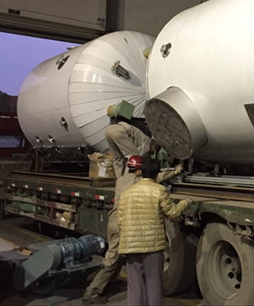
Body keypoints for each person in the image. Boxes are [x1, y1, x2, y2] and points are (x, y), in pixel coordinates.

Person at [82, 122, 182, 305]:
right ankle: (92, 293)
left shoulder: (121, 173)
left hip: (116, 221)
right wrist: (176, 170)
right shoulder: (136, 179)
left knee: (117, 258)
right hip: (121, 224)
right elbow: (156, 178)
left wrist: (124, 127)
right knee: (113, 258)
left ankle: (106, 286)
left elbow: (113, 136)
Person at [118, 157, 192, 306]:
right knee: (154, 284)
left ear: (141, 172)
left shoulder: (126, 193)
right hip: (152, 246)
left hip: (130, 245)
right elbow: (172, 213)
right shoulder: (159, 190)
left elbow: (121, 222)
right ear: (157, 173)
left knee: (135, 286)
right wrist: (186, 202)